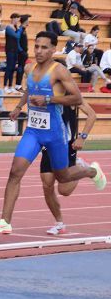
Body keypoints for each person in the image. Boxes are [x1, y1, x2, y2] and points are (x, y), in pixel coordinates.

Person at [0, 31, 106, 235]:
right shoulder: (29, 68)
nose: (39, 51)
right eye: (36, 46)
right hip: (33, 132)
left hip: (54, 133)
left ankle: (92, 171)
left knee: (62, 178)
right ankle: (4, 221)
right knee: (15, 171)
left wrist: (49, 100)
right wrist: (18, 107)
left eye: (44, 47)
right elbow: (29, 89)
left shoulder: (59, 71)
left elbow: (77, 99)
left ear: (53, 49)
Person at [40, 95, 100, 234]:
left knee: (64, 190)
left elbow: (92, 115)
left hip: (66, 146)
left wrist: (82, 137)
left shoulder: (71, 95)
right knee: (47, 184)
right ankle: (59, 223)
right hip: (48, 144)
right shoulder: (44, 91)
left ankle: (86, 169)